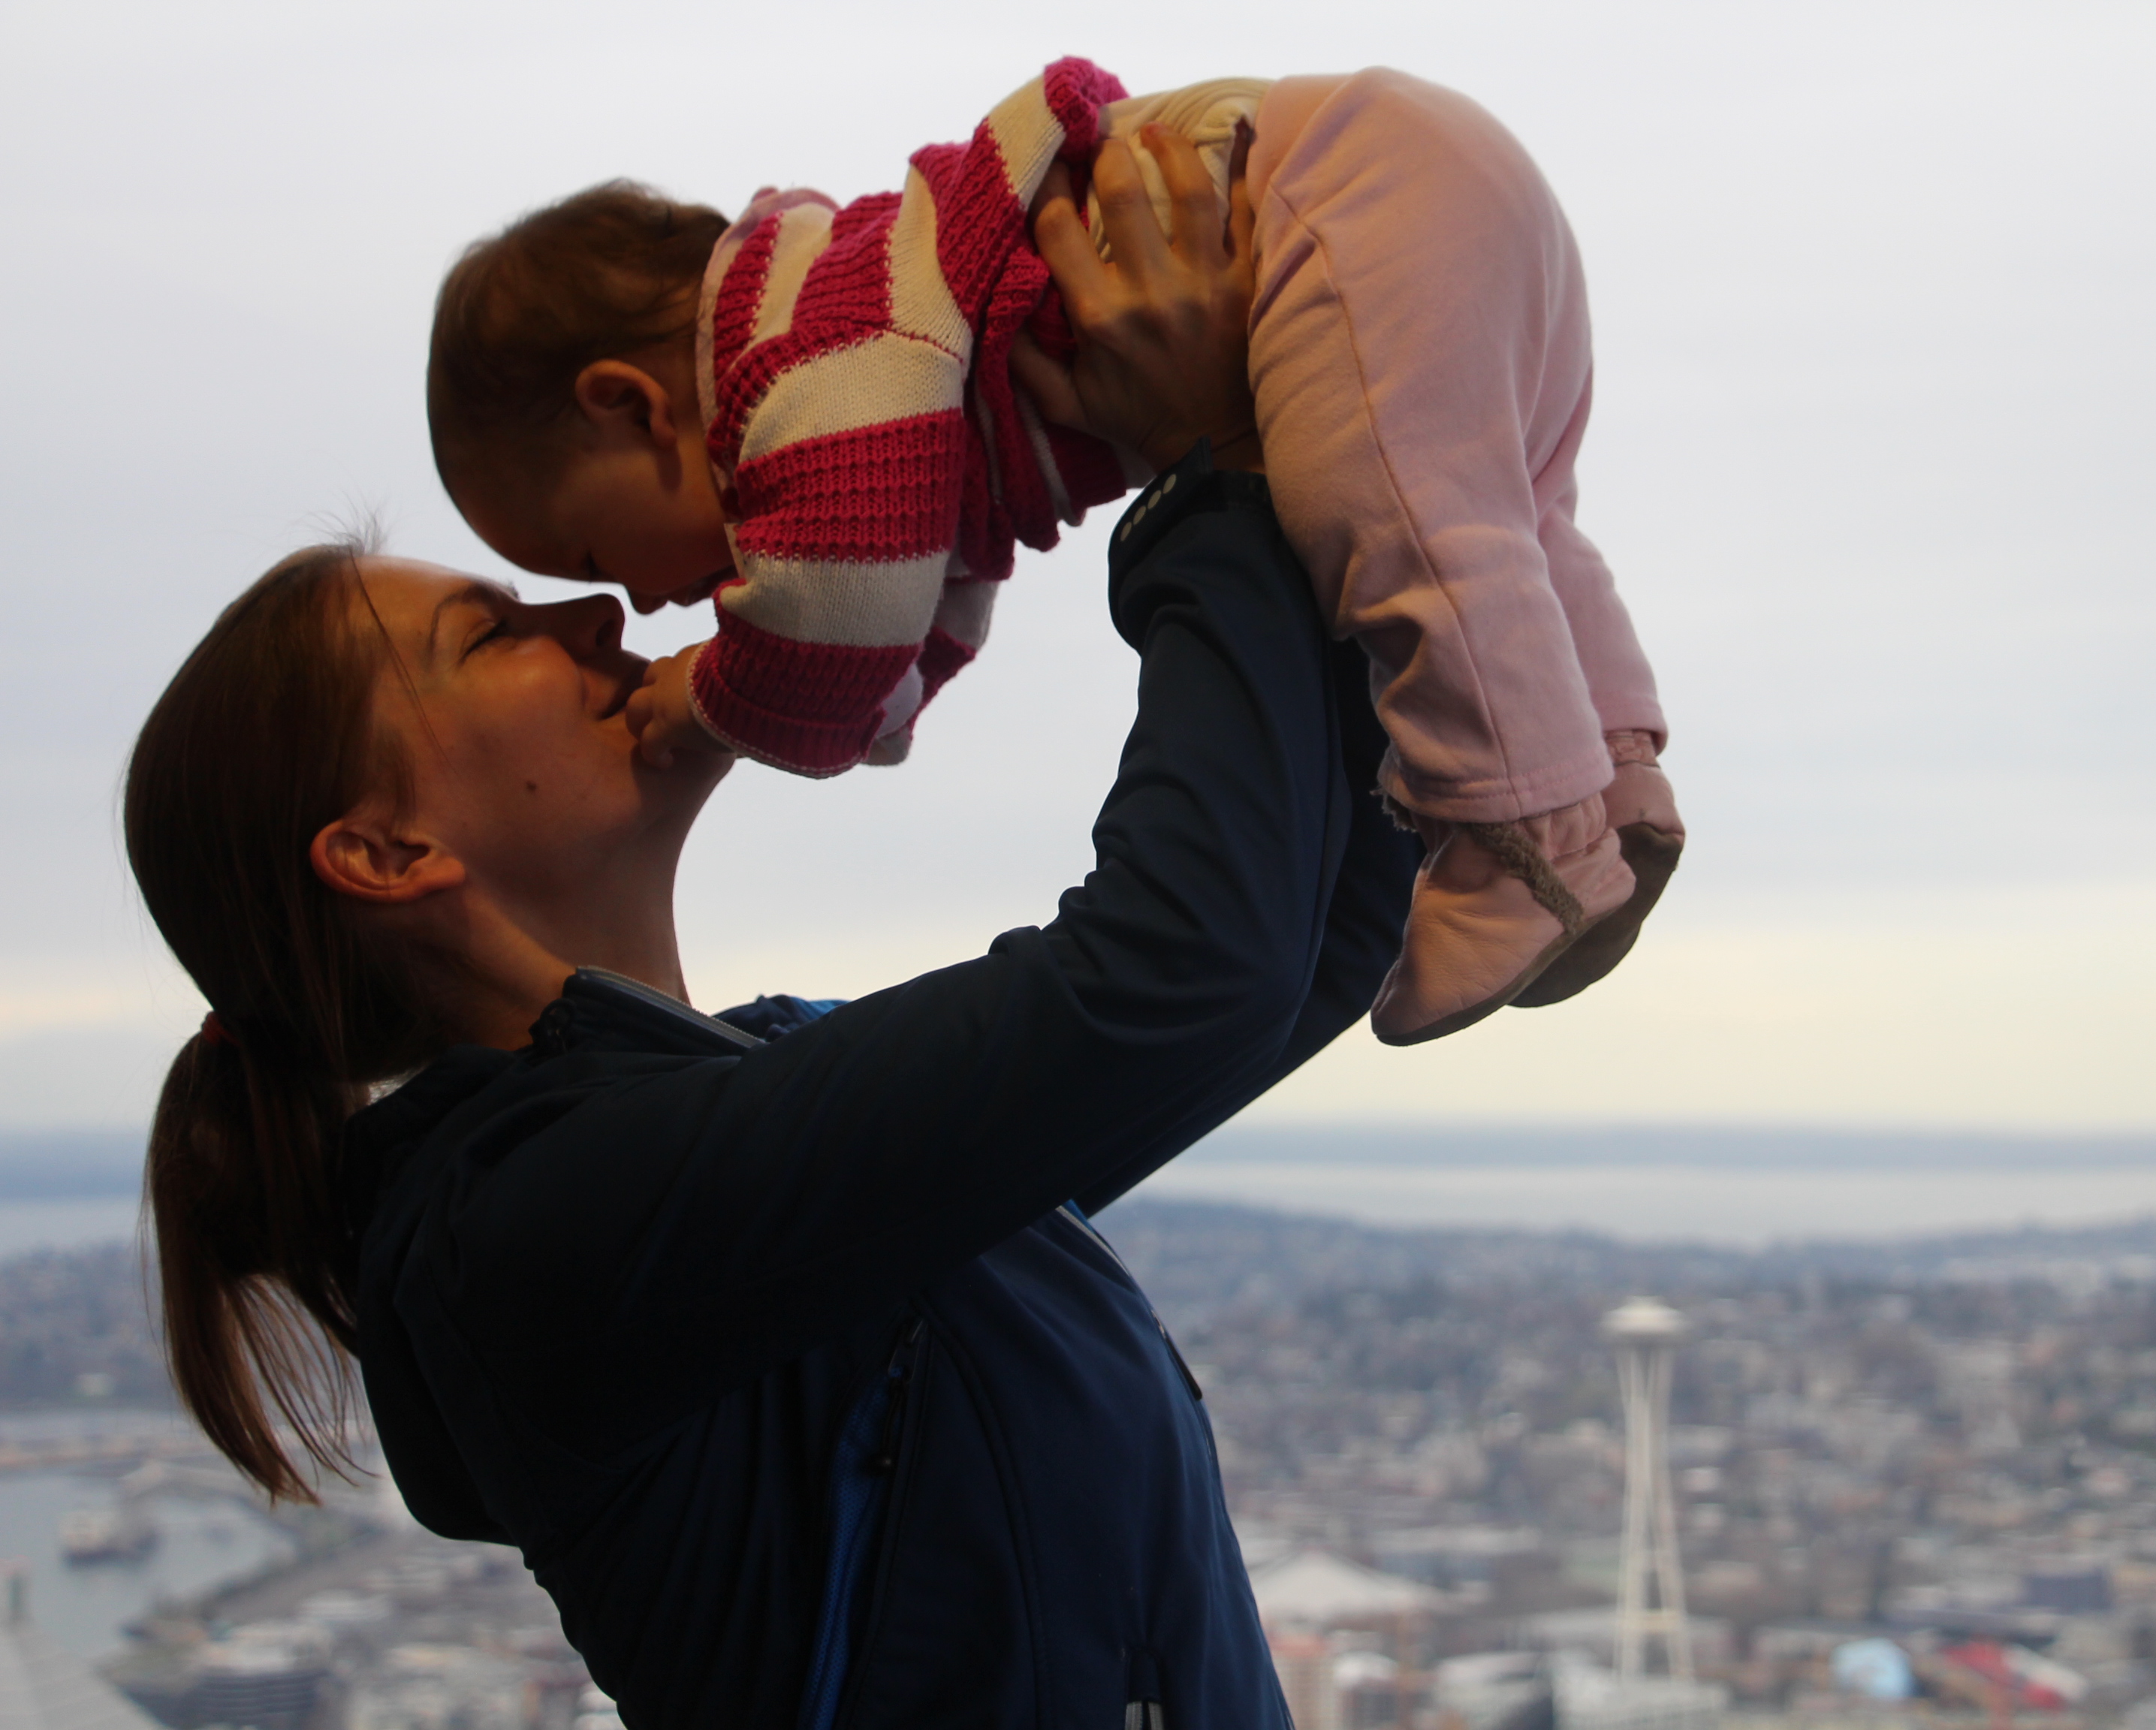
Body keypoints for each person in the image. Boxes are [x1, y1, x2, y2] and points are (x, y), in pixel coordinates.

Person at [126, 142, 1416, 1728]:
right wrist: (1207, 463)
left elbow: (1306, 948)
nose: (603, 615)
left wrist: (1302, 463)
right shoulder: (526, 1233)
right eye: (497, 630)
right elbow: (1187, 974)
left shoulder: (744, 1086)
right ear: (390, 854)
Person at [425, 62, 1684, 1049]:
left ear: (630, 407)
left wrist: (714, 704)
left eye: (593, 553)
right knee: (1510, 515)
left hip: (1341, 196)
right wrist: (870, 696)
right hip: (1415, 181)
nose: (644, 602)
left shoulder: (800, 357)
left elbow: (842, 606)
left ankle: (1523, 846)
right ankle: (1618, 787)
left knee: (1403, 528)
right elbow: (903, 606)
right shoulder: (868, 353)